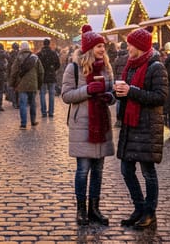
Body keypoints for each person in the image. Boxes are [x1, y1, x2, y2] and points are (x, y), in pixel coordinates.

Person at [61, 25, 116, 226]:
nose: (102, 49)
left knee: (98, 171)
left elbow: (113, 94)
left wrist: (110, 96)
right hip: (82, 123)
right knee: (83, 170)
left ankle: (95, 209)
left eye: (103, 46)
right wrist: (87, 90)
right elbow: (66, 96)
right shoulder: (73, 68)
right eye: (98, 46)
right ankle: (81, 210)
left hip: (101, 122)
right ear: (89, 48)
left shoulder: (107, 67)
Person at [113, 27, 167, 229]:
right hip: (131, 124)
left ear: (141, 47)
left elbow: (160, 97)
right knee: (126, 169)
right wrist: (118, 92)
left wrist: (131, 91)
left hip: (146, 125)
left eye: (130, 44)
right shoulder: (130, 65)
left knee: (148, 172)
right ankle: (139, 207)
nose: (127, 48)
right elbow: (128, 93)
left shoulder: (156, 67)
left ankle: (150, 212)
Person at [9, 42, 42, 128]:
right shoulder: (35, 58)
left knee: (23, 104)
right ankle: (33, 121)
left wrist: (12, 83)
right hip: (33, 84)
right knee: (32, 103)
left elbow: (14, 72)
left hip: (21, 85)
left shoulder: (18, 58)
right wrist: (39, 84)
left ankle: (23, 123)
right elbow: (41, 72)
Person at [37, 38, 61, 118]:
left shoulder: (39, 54)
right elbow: (58, 64)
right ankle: (51, 112)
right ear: (49, 44)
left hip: (42, 76)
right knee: (51, 94)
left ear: (43, 44)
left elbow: (36, 66)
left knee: (42, 94)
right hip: (51, 76)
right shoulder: (53, 53)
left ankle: (43, 112)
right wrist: (53, 69)